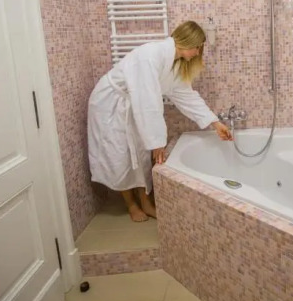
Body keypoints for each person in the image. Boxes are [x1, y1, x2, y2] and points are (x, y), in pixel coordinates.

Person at [87, 20, 233, 222]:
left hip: (134, 105)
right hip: (111, 103)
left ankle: (146, 203)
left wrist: (215, 123)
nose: (198, 52)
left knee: (140, 153)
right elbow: (147, 100)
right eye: (198, 47)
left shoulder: (175, 63)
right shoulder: (151, 55)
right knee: (119, 154)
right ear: (187, 42)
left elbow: (186, 96)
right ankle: (131, 205)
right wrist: (157, 141)